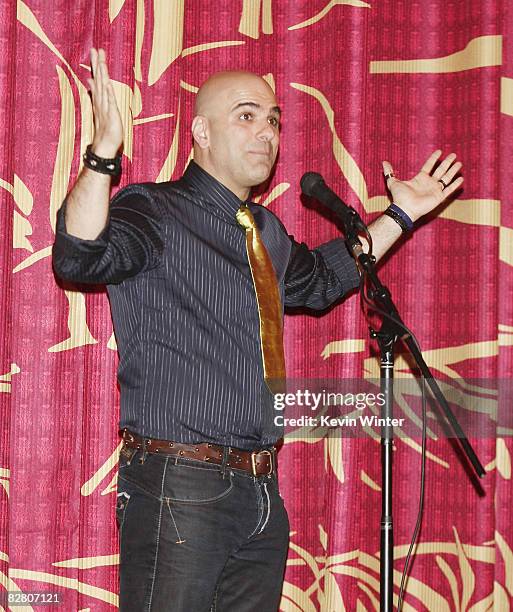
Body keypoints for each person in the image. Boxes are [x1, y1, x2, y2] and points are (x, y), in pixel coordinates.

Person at [52, 48, 463, 612]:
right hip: (180, 484)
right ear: (200, 131)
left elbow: (318, 283)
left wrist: (401, 215)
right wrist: (102, 156)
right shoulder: (153, 207)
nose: (266, 132)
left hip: (261, 491)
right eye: (246, 115)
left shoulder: (264, 229)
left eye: (272, 119)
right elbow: (78, 257)